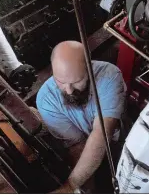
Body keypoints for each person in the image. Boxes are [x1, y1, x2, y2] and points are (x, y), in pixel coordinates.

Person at [36, 41, 125, 192]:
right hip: (84, 150)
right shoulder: (46, 99)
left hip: (116, 141)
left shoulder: (109, 75)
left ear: (90, 69)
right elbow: (77, 146)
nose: (69, 90)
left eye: (77, 82)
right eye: (61, 82)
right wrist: (83, 190)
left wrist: (71, 185)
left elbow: (102, 134)